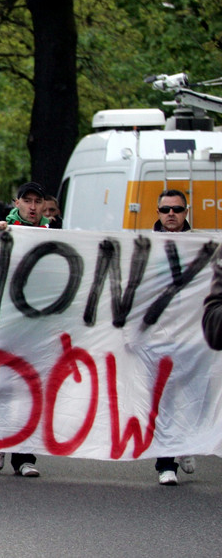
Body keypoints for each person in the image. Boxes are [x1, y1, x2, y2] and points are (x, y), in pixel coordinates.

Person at [0, 181, 48, 477]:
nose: (33, 207)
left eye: (38, 201)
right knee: (3, 387)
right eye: (28, 201)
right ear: (17, 203)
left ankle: (25, 456)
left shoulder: (52, 233)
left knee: (30, 388)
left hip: (36, 324)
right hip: (6, 322)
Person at [151, 189, 196, 484]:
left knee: (191, 394)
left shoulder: (201, 245)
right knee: (164, 397)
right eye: (166, 209)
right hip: (158, 332)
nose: (171, 214)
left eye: (177, 209)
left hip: (192, 332)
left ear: (185, 212)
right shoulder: (144, 245)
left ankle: (187, 442)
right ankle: (166, 462)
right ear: (157, 212)